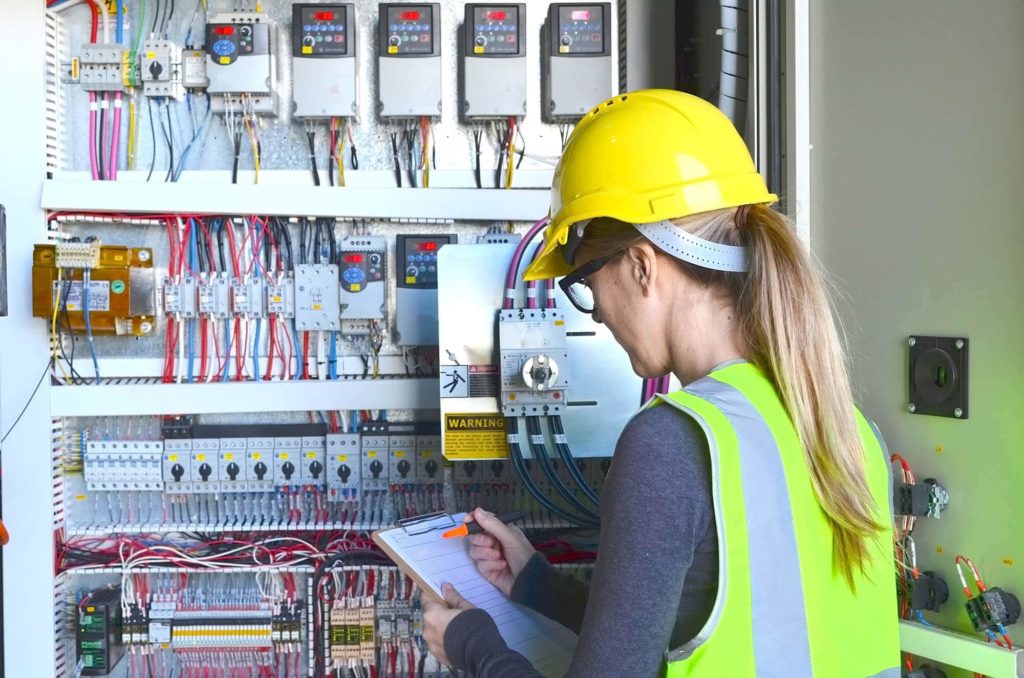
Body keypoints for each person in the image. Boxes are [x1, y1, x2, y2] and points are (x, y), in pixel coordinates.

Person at [422, 89, 900, 677]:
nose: (594, 314)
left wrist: (472, 645)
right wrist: (536, 584)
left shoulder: (670, 444)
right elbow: (702, 626)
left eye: (586, 285)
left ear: (642, 265)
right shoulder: (852, 433)